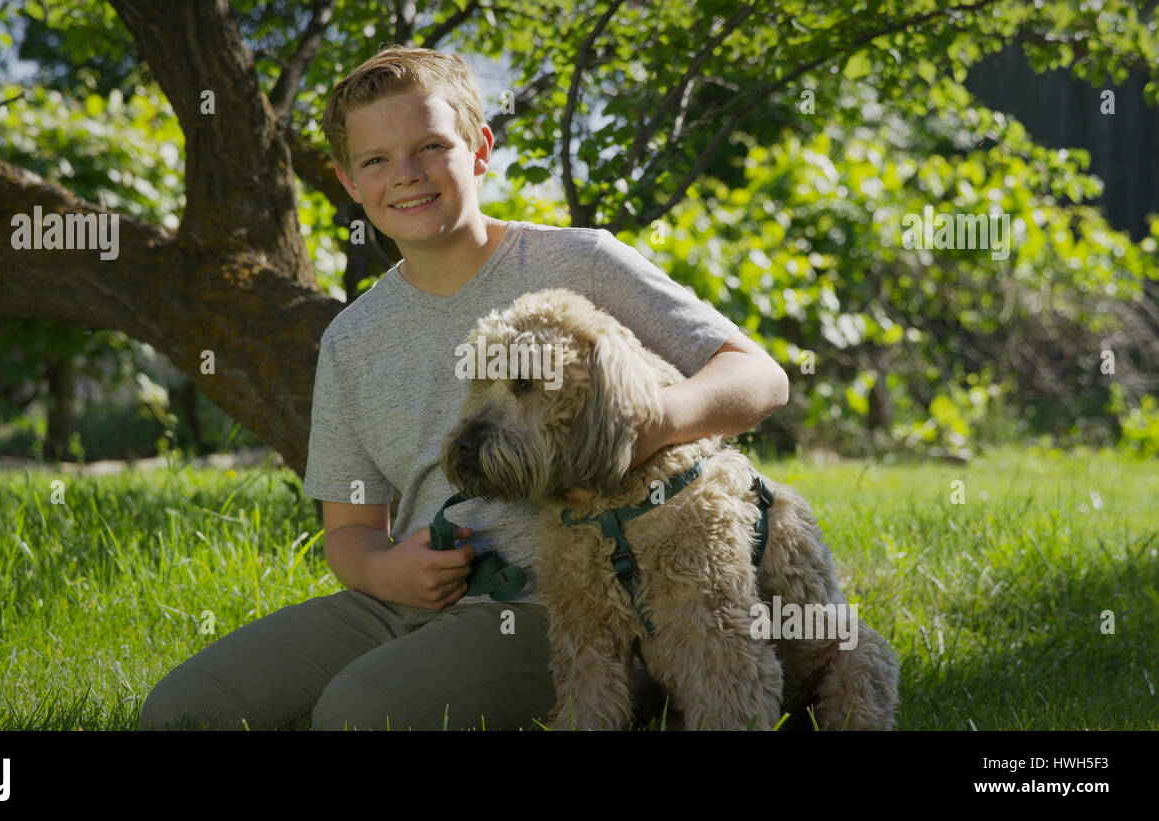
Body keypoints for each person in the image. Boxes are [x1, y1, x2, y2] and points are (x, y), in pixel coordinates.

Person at [138, 45, 789, 731]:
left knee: (358, 716)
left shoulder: (578, 263)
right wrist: (390, 573)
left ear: (479, 148)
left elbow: (759, 375)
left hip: (568, 604)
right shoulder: (352, 339)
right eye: (377, 160)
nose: (407, 175)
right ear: (348, 180)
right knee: (179, 713)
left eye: (429, 145)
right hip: (405, 598)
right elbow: (351, 534)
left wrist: (647, 422)